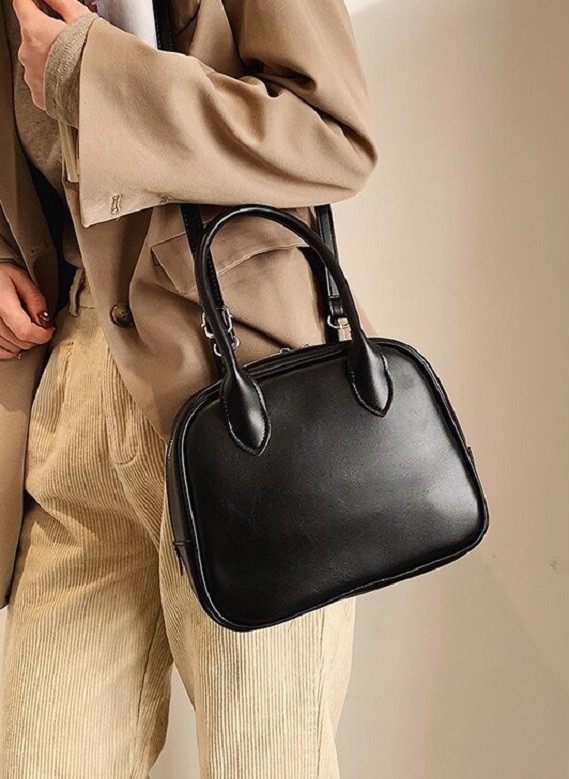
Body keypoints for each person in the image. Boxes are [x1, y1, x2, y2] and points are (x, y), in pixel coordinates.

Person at [0, 0, 378, 774]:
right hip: (72, 385)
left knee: (262, 759)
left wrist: (91, 72)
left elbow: (332, 135)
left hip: (245, 397)